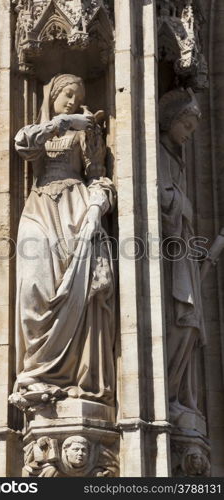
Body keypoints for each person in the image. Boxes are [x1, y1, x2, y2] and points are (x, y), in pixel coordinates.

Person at [13, 74, 116, 406]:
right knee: (33, 288)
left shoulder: (86, 134)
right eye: (67, 94)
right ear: (54, 96)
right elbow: (23, 144)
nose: (73, 100)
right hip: (39, 208)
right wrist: (62, 122)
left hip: (75, 209)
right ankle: (33, 372)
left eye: (78, 96)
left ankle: (65, 375)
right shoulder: (46, 130)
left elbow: (98, 176)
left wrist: (98, 205)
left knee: (76, 290)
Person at [158, 88, 206, 424]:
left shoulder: (175, 158)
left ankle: (175, 396)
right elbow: (160, 196)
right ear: (172, 120)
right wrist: (183, 206)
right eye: (186, 126)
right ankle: (168, 397)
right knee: (181, 318)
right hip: (169, 250)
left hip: (182, 249)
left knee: (188, 322)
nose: (189, 135)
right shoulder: (157, 153)